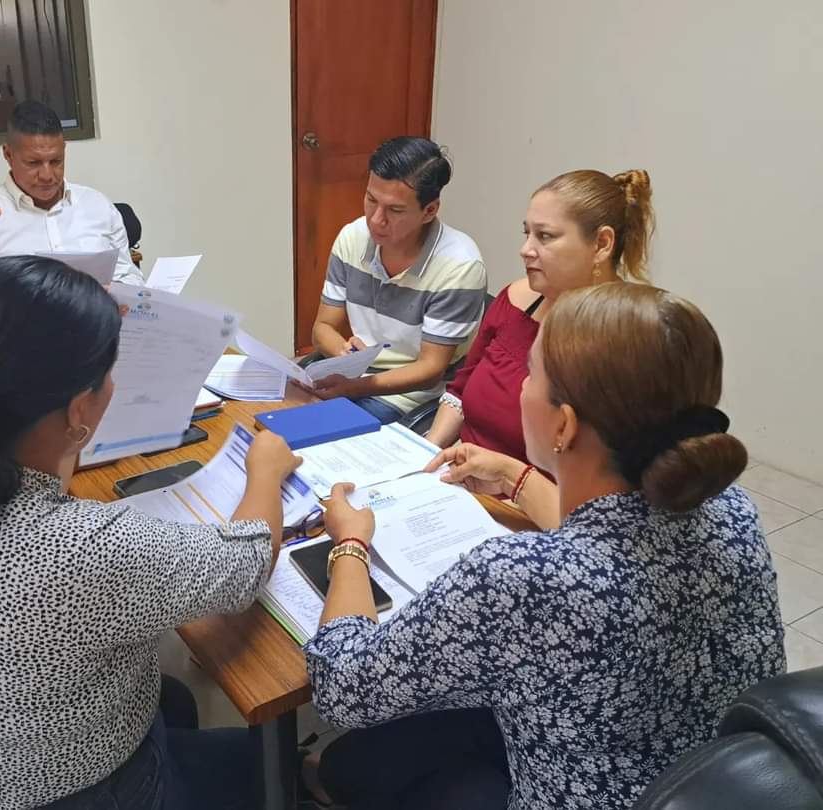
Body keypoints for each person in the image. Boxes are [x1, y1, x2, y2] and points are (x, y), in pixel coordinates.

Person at [302, 283, 785, 809]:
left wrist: (350, 543)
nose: (521, 386)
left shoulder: (524, 577)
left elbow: (342, 688)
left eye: (531, 374)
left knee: (384, 755)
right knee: (379, 753)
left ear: (564, 424)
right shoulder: (734, 511)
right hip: (704, 783)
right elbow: (620, 534)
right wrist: (516, 478)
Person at [0, 255, 301, 809]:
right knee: (268, 766)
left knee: (176, 704)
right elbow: (248, 560)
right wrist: (264, 468)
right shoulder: (81, 550)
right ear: (76, 410)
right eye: (110, 373)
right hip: (69, 793)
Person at [425, 169, 655, 460]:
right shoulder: (514, 300)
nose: (525, 250)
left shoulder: (628, 339)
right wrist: (426, 453)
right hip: (456, 475)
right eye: (527, 233)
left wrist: (507, 480)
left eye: (545, 236)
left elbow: (599, 471)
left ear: (601, 244)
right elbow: (460, 391)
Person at [310, 136, 487, 424]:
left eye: (395, 210)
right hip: (354, 378)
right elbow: (322, 328)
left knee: (320, 434)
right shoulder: (353, 238)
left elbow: (430, 370)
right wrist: (346, 356)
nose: (376, 219)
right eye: (371, 200)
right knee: (272, 415)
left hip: (410, 397)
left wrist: (357, 386)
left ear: (429, 210)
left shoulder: (460, 267)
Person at [0, 100, 143, 284]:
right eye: (33, 163)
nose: (47, 175)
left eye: (56, 161)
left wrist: (112, 292)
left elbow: (129, 276)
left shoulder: (97, 205)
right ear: (8, 154)